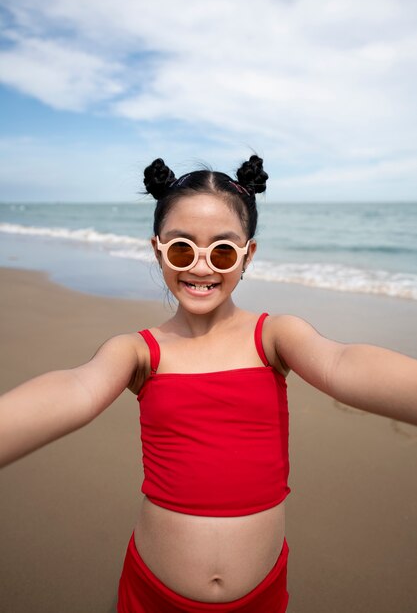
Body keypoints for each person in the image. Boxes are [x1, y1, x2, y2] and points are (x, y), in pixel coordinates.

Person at [1, 155, 416, 613]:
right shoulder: (139, 350)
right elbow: (77, 389)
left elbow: (342, 364)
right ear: (158, 249)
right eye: (182, 248)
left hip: (262, 594)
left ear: (248, 255)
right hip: (152, 593)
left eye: (222, 250)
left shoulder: (275, 336)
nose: (201, 267)